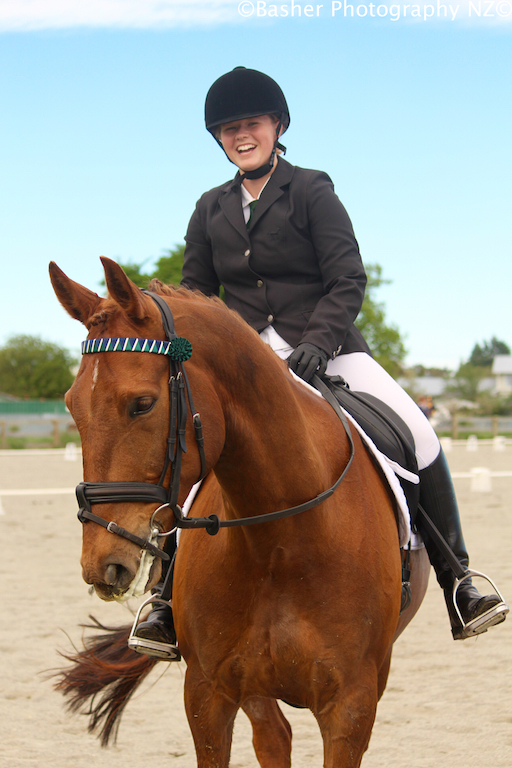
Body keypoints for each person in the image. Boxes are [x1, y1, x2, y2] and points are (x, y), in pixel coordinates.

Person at [133, 67, 508, 658]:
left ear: (277, 125)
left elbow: (347, 276)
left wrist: (319, 340)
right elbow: (193, 299)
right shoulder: (209, 208)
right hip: (246, 364)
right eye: (228, 129)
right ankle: (164, 598)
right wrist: (179, 353)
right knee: (193, 446)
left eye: (250, 124)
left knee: (418, 431)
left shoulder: (311, 189)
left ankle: (458, 579)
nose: (240, 135)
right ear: (218, 139)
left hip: (328, 351)